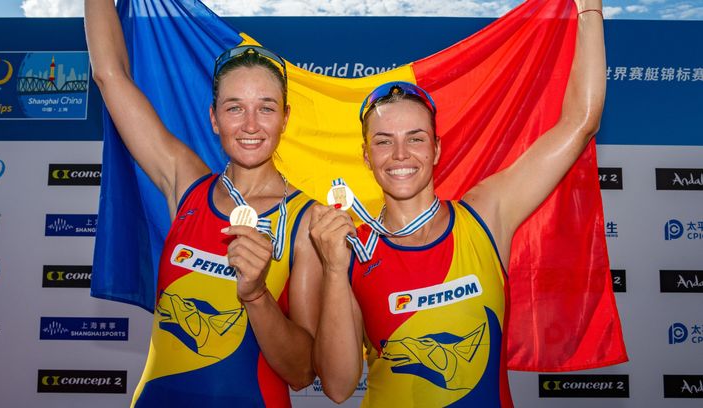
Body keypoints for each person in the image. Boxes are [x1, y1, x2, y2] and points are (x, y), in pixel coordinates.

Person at [309, 0, 606, 406]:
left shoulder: (486, 214)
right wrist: (332, 269)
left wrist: (589, 10)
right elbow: (338, 386)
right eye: (383, 141)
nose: (400, 154)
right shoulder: (350, 250)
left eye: (415, 138)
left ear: (435, 149)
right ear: (366, 156)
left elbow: (581, 122)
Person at [85, 1, 321, 406]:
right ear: (214, 118)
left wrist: (256, 295)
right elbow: (110, 75)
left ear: (285, 118)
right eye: (235, 108)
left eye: (265, 108)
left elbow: (301, 372)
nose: (250, 125)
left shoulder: (308, 219)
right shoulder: (186, 183)